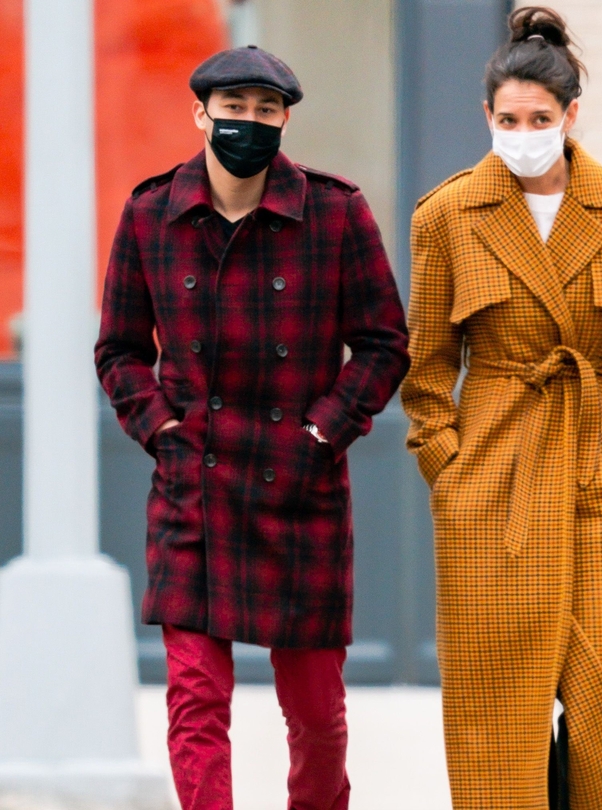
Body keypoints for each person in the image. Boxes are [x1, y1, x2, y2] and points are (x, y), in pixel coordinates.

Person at [95, 45, 409, 810]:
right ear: (202, 113)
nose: (250, 123)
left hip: (299, 493)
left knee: (317, 717)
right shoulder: (150, 213)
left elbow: (383, 343)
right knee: (195, 704)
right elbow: (121, 351)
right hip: (192, 490)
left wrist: (321, 434)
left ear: (284, 120)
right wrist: (163, 429)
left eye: (267, 111)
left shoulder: (336, 212)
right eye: (235, 108)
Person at [401, 7, 602, 809]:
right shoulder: (446, 216)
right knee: (496, 726)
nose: (524, 133)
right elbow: (426, 377)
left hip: (597, 482)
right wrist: (451, 477)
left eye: (541, 119)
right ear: (487, 116)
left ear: (572, 116)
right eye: (509, 119)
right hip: (492, 487)